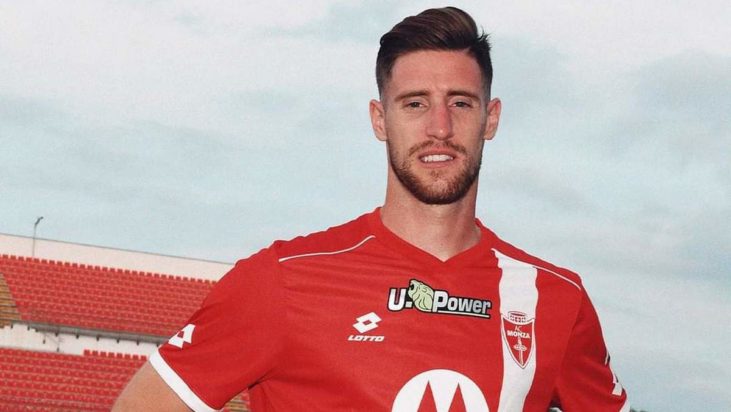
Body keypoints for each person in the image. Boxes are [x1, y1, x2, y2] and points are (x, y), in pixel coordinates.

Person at [114, 7, 629, 412]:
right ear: (380, 119)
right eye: (415, 103)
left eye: (460, 102)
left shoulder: (556, 300)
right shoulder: (283, 280)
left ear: (490, 119)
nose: (440, 128)